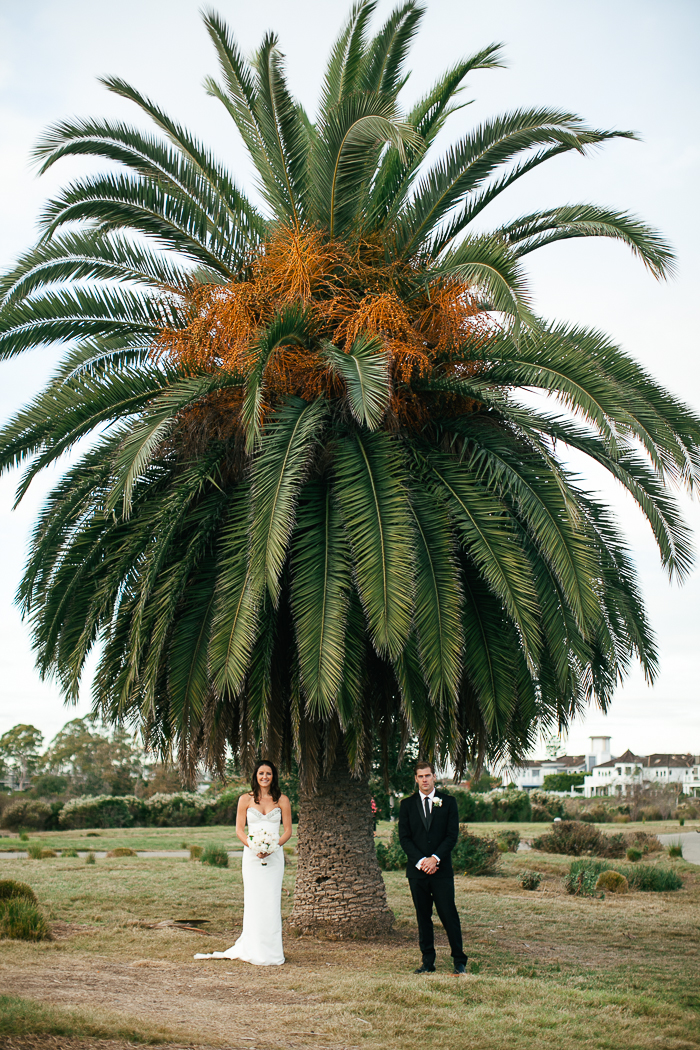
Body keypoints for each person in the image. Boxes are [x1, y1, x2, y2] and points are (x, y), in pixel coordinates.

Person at [195, 759, 292, 966]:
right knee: (254, 901)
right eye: (261, 774)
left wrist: (272, 848)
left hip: (274, 858)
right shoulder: (245, 800)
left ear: (273, 776)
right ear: (255, 776)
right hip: (251, 856)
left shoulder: (282, 800)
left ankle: (272, 951)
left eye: (268, 773)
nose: (264, 777)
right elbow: (239, 830)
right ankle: (253, 947)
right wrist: (254, 847)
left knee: (271, 901)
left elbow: (288, 831)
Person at [398, 760, 468, 975]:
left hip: (441, 870)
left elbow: (451, 835)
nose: (424, 780)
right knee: (423, 916)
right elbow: (405, 838)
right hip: (417, 872)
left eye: (428, 775)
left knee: (448, 914)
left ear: (434, 777)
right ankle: (428, 962)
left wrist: (435, 859)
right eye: (420, 776)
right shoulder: (407, 805)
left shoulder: (448, 802)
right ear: (416, 779)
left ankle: (459, 960)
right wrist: (421, 862)